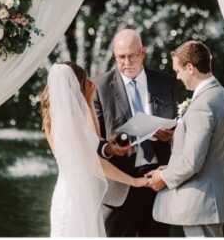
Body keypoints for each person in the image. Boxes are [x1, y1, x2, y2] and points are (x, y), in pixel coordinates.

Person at [42, 62, 149, 237]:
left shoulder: (53, 119)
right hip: (76, 200)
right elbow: (95, 161)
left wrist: (89, 102)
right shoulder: (69, 123)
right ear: (76, 85)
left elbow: (95, 139)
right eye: (84, 82)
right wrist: (134, 181)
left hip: (74, 193)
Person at [92, 29, 181, 237]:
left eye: (131, 56)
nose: (126, 62)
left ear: (143, 52)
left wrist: (172, 136)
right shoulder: (99, 87)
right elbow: (94, 141)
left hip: (158, 182)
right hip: (119, 185)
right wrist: (109, 148)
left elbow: (180, 126)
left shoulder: (167, 83)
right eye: (120, 57)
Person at [146, 40, 224, 237]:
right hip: (218, 200)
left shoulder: (203, 104)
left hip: (202, 204)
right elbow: (210, 147)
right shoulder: (221, 95)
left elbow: (192, 162)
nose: (178, 77)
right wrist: (175, 137)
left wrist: (163, 177)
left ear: (190, 68)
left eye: (178, 71)